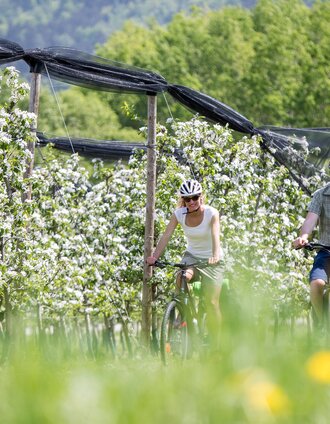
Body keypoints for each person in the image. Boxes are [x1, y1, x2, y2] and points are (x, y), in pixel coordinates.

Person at [146, 179, 224, 349]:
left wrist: (215, 255)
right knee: (182, 276)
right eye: (187, 199)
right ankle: (183, 312)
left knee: (212, 303)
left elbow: (215, 235)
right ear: (183, 200)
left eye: (195, 197)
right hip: (192, 257)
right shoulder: (179, 214)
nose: (191, 202)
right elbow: (166, 236)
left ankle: (217, 345)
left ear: (201, 197)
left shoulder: (212, 213)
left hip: (212, 260)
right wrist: (154, 257)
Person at [293, 182, 330, 329]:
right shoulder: (321, 194)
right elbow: (310, 220)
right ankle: (322, 324)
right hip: (326, 251)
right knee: (316, 284)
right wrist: (303, 237)